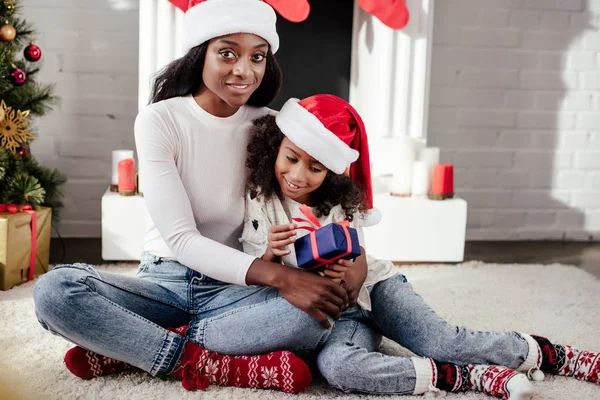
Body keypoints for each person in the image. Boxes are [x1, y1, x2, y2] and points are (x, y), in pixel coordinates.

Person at [32, 0, 351, 394]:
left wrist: (334, 265)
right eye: (228, 53)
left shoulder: (271, 125)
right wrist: (284, 278)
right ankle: (206, 363)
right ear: (201, 52)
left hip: (236, 291)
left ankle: (132, 346)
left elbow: (317, 199)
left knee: (312, 315)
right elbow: (182, 239)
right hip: (163, 284)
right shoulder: (160, 120)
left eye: (258, 57)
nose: (244, 71)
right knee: (55, 292)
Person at [239, 93, 600, 399]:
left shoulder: (335, 203)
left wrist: (348, 276)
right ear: (276, 146)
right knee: (336, 367)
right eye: (291, 158)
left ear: (330, 172)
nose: (298, 175)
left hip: (374, 289)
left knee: (439, 341)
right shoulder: (259, 198)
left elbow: (361, 262)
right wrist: (272, 253)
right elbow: (254, 271)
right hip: (335, 318)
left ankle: (549, 354)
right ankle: (465, 376)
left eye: (316, 168)